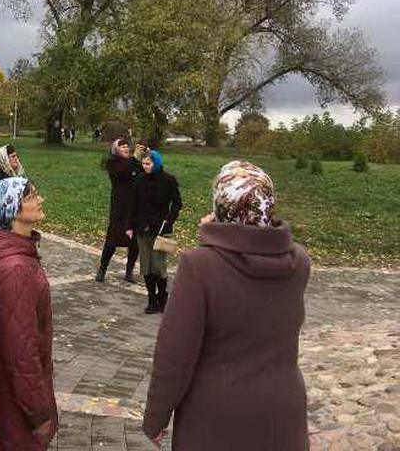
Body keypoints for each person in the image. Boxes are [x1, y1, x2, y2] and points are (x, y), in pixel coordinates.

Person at [143, 161, 310, 450]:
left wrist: (156, 417)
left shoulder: (200, 266)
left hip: (215, 415)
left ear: (221, 205)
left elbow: (175, 354)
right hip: (284, 412)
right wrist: (218, 234)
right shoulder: (299, 262)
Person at [0, 178, 57, 451]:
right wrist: (38, 411)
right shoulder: (14, 268)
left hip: (6, 393)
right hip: (13, 401)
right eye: (31, 197)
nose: (40, 200)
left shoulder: (15, 254)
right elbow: (20, 349)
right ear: (11, 209)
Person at [131, 149, 182, 313]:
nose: (145, 166)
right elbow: (133, 204)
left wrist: (169, 219)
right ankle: (151, 299)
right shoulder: (139, 180)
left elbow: (177, 203)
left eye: (148, 163)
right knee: (146, 266)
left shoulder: (168, 180)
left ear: (156, 163)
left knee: (159, 266)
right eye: (143, 163)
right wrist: (130, 226)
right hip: (143, 229)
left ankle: (162, 296)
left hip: (161, 229)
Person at [95, 138, 144, 283]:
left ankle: (129, 272)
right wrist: (134, 158)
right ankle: (102, 269)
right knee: (112, 239)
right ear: (116, 149)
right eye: (122, 146)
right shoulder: (112, 162)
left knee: (134, 242)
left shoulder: (134, 162)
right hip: (120, 207)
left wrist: (142, 158)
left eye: (127, 146)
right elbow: (122, 172)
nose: (126, 148)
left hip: (135, 207)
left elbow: (144, 175)